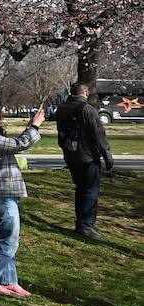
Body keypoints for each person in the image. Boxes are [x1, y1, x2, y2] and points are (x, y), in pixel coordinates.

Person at [0, 103, 44, 297]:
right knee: (9, 240)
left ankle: (9, 281)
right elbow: (20, 144)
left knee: (9, 239)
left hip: (3, 194)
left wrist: (29, 129)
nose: (2, 120)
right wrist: (35, 127)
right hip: (2, 195)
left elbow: (12, 144)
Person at [54, 82, 115, 239]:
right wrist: (107, 156)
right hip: (87, 156)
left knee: (80, 189)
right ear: (86, 92)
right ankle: (87, 225)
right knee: (90, 190)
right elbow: (98, 135)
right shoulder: (88, 110)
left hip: (70, 155)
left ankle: (81, 223)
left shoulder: (61, 109)